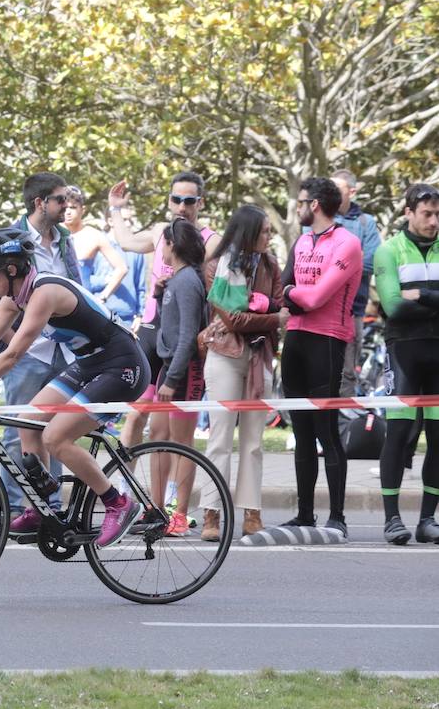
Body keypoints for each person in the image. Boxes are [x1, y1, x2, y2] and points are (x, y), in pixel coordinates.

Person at [0, 228, 149, 547]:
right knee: (28, 423)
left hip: (123, 366)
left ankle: (118, 503)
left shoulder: (45, 293)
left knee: (56, 437)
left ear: (11, 270)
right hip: (92, 364)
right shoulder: (13, 298)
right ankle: (43, 509)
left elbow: (11, 355)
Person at [107, 172, 219, 509]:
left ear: (200, 203)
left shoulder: (210, 241)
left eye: (189, 201)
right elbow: (126, 242)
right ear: (169, 201)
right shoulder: (161, 232)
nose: (182, 207)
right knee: (139, 415)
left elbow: (218, 288)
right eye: (176, 200)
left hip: (184, 338)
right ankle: (124, 494)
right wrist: (115, 208)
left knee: (179, 433)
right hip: (153, 331)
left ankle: (176, 506)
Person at [0, 173, 81, 516]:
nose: (66, 205)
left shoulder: (65, 240)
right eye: (60, 199)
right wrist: (15, 344)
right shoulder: (13, 242)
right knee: (17, 433)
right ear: (40, 203)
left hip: (64, 352)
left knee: (53, 433)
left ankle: (47, 508)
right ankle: (15, 509)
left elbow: (77, 290)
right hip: (27, 354)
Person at [279, 176, 363, 537]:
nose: (297, 208)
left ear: (314, 204)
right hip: (296, 339)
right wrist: (291, 293)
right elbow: (282, 294)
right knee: (300, 431)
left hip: (328, 340)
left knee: (326, 430)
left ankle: (338, 516)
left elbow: (315, 299)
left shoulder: (348, 243)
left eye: (300, 202)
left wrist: (289, 292)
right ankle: (304, 513)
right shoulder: (301, 241)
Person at [198, 205, 284, 541]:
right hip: (223, 353)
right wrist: (269, 316)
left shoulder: (271, 264)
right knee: (219, 438)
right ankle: (212, 515)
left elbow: (278, 306)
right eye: (264, 230)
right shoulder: (215, 266)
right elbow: (234, 319)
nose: (269, 236)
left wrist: (264, 312)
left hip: (259, 356)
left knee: (253, 442)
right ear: (248, 232)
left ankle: (252, 513)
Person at [372, 183, 439, 545]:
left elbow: (407, 300)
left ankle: (428, 519)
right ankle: (392, 519)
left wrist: (423, 294)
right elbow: (393, 306)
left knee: (438, 438)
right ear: (409, 213)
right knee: (398, 435)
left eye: (438, 214)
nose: (434, 221)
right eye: (427, 214)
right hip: (403, 352)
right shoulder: (389, 251)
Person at [148, 218, 207, 536]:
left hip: (182, 372)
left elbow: (187, 337)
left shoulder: (187, 282)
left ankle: (179, 514)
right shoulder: (177, 281)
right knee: (158, 436)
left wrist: (172, 378)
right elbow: (170, 326)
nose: (162, 249)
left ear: (173, 245)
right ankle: (156, 507)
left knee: (182, 443)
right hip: (170, 368)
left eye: (164, 243)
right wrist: (159, 295)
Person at [331, 169, 382, 398]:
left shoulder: (366, 222)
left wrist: (335, 261)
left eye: (337, 188)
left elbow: (371, 262)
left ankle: (344, 429)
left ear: (352, 191)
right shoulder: (317, 218)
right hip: (319, 311)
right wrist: (354, 257)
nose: (330, 193)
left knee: (347, 372)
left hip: (353, 311)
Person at [64, 187, 129, 307]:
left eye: (72, 207)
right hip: (55, 305)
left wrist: (103, 297)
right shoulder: (52, 233)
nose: (68, 212)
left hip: (83, 305)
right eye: (65, 207)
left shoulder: (94, 235)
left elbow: (122, 268)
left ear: (82, 210)